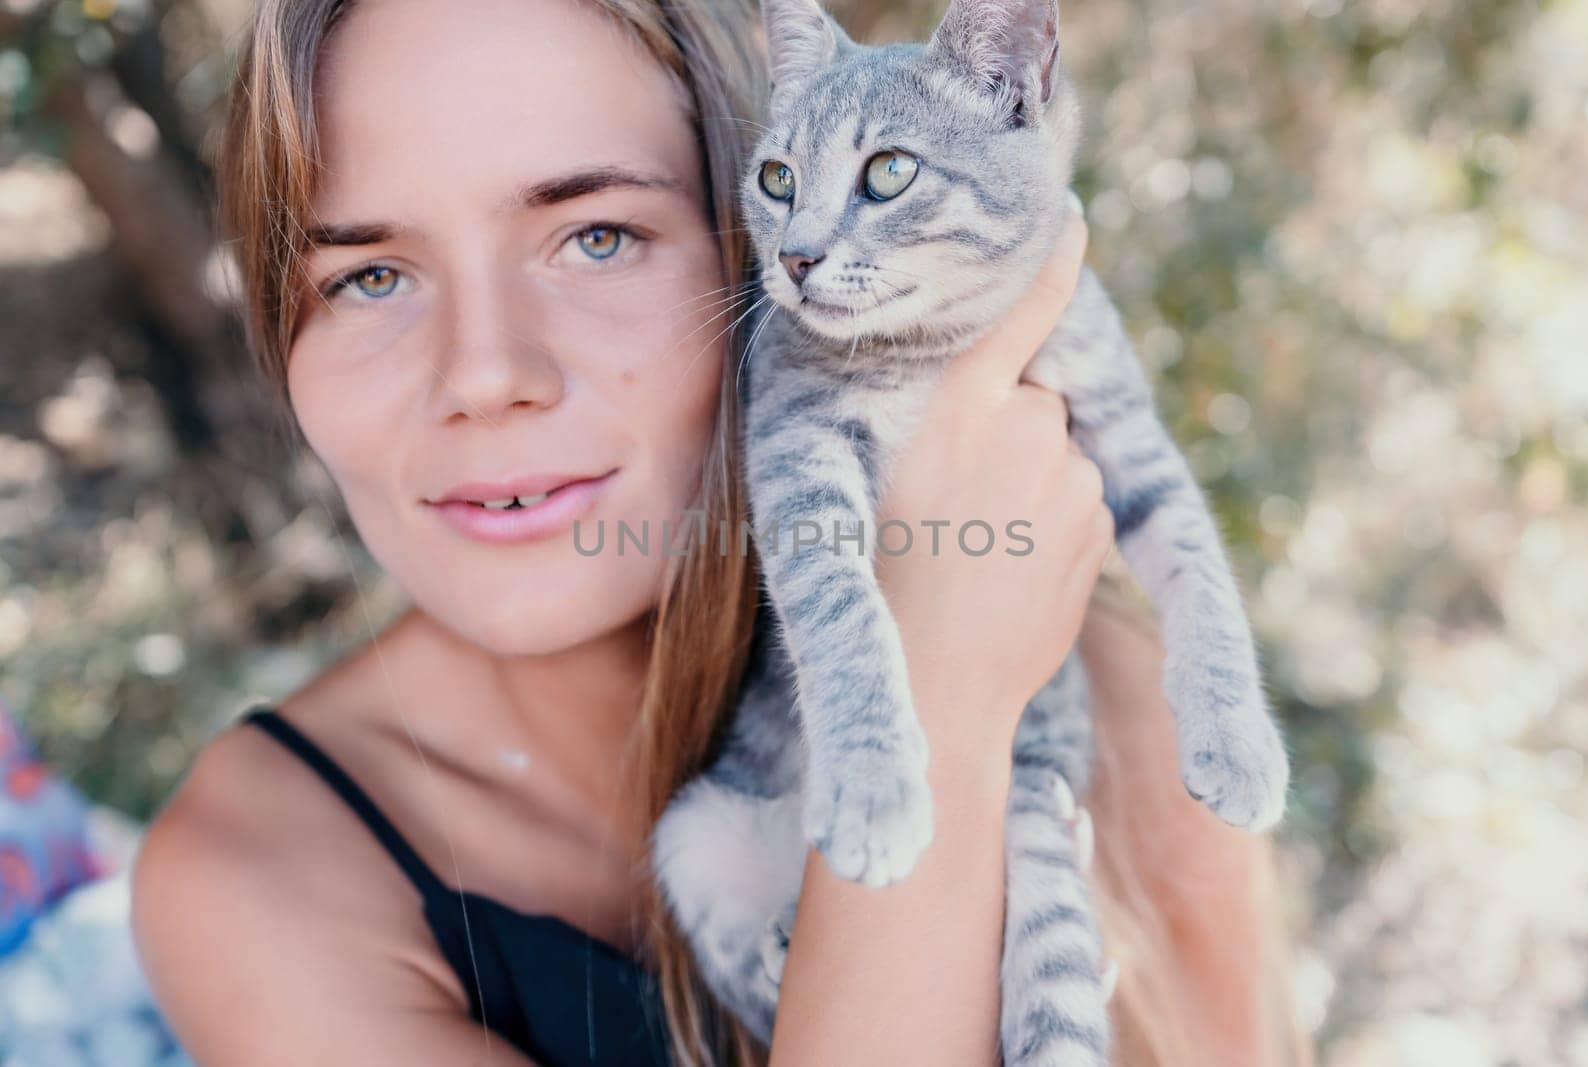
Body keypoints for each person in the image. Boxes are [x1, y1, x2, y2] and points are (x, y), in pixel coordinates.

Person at [129, 0, 1306, 1063]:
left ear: (751, 251)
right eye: (370, 276)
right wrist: (931, 697)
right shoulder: (259, 883)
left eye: (596, 235)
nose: (485, 376)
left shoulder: (1134, 708)